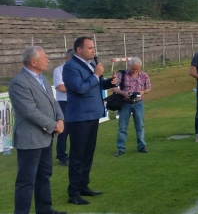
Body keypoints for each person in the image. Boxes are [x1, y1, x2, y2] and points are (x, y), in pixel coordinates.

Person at [9, 47, 67, 214]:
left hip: (45, 137)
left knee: (44, 175)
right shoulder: (19, 83)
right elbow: (29, 111)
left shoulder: (42, 79)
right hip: (30, 139)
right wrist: (53, 125)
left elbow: (54, 102)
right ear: (33, 62)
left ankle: (43, 208)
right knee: (26, 181)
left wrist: (60, 119)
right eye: (44, 57)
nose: (48, 60)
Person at [63, 36, 117, 205]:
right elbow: (80, 88)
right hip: (80, 117)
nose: (93, 51)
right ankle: (73, 193)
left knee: (88, 153)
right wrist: (96, 75)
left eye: (93, 47)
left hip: (92, 114)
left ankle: (83, 185)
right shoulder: (70, 67)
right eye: (90, 48)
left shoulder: (91, 64)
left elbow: (97, 84)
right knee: (77, 155)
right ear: (79, 50)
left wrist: (110, 82)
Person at [110, 57, 151, 156]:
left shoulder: (144, 75)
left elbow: (149, 88)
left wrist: (142, 92)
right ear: (129, 66)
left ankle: (141, 146)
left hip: (138, 103)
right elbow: (113, 88)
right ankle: (121, 148)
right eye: (133, 69)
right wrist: (124, 93)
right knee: (122, 127)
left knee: (140, 125)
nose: (135, 71)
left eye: (137, 69)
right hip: (125, 103)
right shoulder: (122, 74)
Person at [52, 48, 73, 166]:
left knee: (76, 130)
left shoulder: (77, 70)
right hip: (63, 104)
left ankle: (75, 154)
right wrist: (77, 87)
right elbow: (61, 87)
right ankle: (62, 156)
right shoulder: (58, 70)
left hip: (75, 103)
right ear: (67, 58)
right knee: (62, 131)